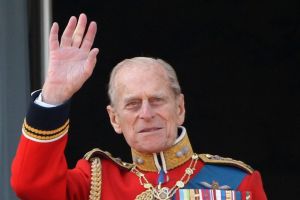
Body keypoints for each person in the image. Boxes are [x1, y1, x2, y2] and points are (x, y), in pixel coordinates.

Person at [11, 13, 267, 200]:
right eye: (133, 105)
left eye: (157, 100)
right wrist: (54, 96)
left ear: (180, 108)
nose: (146, 114)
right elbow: (31, 186)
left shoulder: (237, 182)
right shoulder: (95, 183)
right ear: (114, 119)